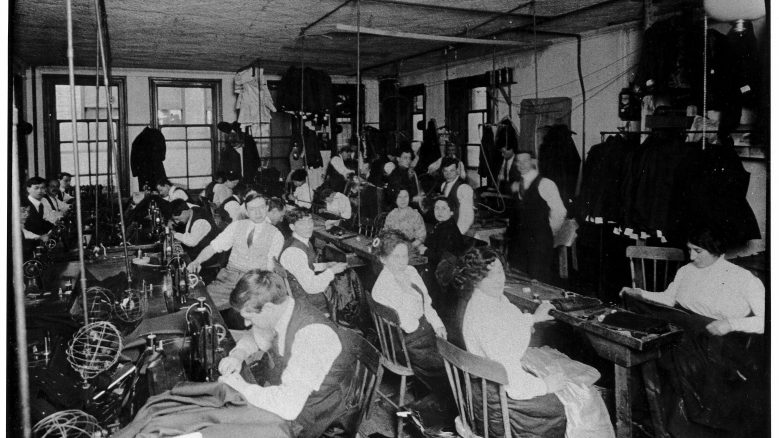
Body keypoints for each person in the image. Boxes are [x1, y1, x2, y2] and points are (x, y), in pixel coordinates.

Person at [456, 247, 611, 438]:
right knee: (581, 396)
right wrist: (545, 385)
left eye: (499, 272)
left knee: (565, 371)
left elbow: (507, 323)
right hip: (500, 394)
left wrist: (533, 318)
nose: (498, 280)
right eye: (488, 276)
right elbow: (510, 373)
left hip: (489, 383)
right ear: (475, 280)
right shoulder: (486, 314)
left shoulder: (486, 299)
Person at [217, 270, 357, 438]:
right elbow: (255, 336)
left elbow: (288, 406)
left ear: (268, 308)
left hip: (318, 423)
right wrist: (238, 355)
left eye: (250, 317)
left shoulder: (313, 335)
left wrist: (242, 388)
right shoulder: (283, 309)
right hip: (294, 402)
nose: (247, 323)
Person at [621, 227, 764, 335]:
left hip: (715, 337)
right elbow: (669, 299)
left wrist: (731, 324)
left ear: (715, 249)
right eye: (690, 250)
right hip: (682, 325)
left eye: (698, 251)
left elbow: (767, 321)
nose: (691, 256)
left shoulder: (743, 278)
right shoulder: (686, 270)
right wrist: (639, 293)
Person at [188, 193, 284, 326]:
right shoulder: (237, 226)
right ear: (246, 211)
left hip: (253, 283)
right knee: (198, 305)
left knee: (243, 317)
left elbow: (270, 269)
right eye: (252, 209)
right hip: (228, 278)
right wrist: (197, 261)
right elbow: (214, 247)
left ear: (267, 207)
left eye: (261, 207)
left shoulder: (276, 235)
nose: (257, 213)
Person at [371, 230, 447, 390]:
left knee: (458, 351)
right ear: (383, 259)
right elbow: (410, 325)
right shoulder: (383, 287)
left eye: (404, 256)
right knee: (450, 370)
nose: (402, 262)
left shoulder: (411, 272)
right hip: (405, 344)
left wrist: (437, 324)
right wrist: (406, 290)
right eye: (396, 257)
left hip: (423, 331)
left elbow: (426, 303)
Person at [507, 151, 566, 283]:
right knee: (520, 280)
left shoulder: (545, 183)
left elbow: (560, 211)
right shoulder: (517, 184)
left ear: (533, 162)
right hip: (521, 242)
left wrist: (549, 231)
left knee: (539, 279)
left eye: (525, 161)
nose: (521, 165)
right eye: (518, 161)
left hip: (540, 242)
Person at [280, 210, 347, 315]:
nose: (308, 227)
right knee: (345, 291)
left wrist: (325, 265)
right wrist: (332, 271)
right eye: (302, 223)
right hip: (304, 300)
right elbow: (311, 287)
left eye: (310, 222)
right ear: (292, 227)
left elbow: (303, 267)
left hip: (299, 291)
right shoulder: (295, 252)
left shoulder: (297, 241)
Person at [422, 197, 466, 271]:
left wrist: (425, 251)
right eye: (437, 208)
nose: (439, 212)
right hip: (439, 265)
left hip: (445, 271)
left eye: (443, 208)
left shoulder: (449, 230)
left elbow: (441, 258)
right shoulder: (442, 225)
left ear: (451, 212)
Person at [435, 157, 474, 234]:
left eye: (452, 171)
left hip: (460, 230)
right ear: (442, 171)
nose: (448, 174)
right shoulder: (443, 185)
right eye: (445, 171)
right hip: (447, 228)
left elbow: (467, 216)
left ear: (457, 171)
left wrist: (458, 233)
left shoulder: (463, 188)